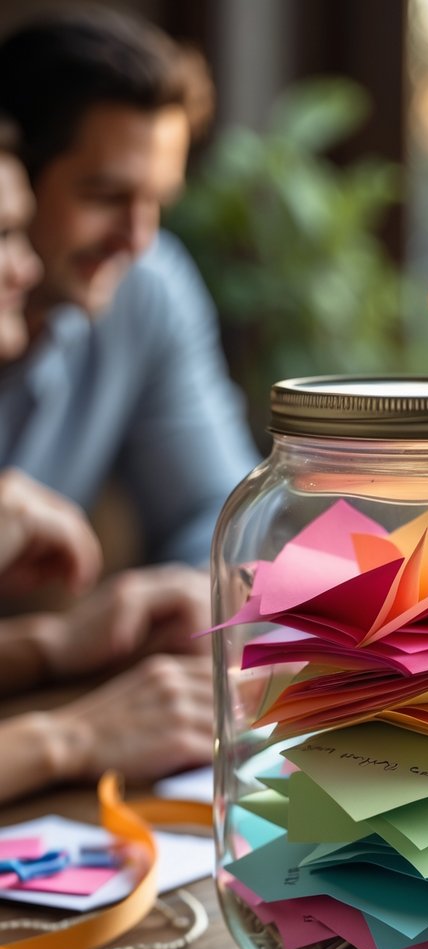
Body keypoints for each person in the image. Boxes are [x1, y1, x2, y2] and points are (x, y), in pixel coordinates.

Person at [0, 6, 261, 567]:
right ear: (13, 173)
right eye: (104, 197)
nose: (137, 239)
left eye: (158, 201)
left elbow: (217, 512)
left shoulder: (147, 286)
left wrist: (194, 596)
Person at [0, 122, 213, 804]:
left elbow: (213, 504)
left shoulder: (148, 292)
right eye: (1, 236)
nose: (25, 268)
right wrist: (69, 737)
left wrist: (52, 645)